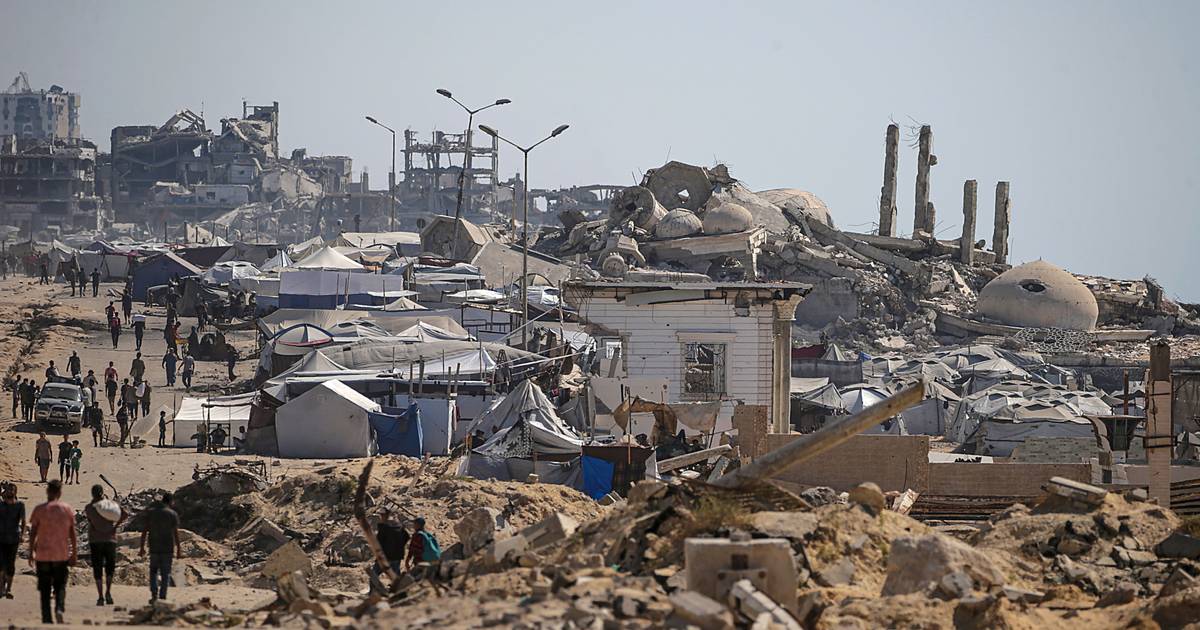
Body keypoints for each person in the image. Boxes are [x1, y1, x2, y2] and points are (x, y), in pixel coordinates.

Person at [29, 479, 77, 624]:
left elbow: (33, 532)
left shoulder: (39, 509)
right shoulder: (66, 509)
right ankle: (59, 609)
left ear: (47, 491)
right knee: (60, 585)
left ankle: (47, 619)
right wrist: (74, 553)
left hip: (42, 554)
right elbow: (72, 533)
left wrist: (31, 551)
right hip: (61, 554)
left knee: (44, 588)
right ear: (60, 492)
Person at [85, 484, 123, 606]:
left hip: (95, 540)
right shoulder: (109, 505)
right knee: (110, 568)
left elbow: (91, 520)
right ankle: (108, 592)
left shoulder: (89, 508)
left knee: (97, 568)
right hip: (110, 539)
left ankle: (100, 596)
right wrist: (115, 527)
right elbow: (124, 513)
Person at [139, 492, 180, 603]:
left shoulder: (151, 513)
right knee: (165, 573)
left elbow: (144, 531)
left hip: (154, 547)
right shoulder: (172, 514)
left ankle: (154, 594)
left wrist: (142, 547)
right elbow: (175, 533)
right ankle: (163, 595)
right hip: (167, 548)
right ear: (170, 502)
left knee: (153, 572)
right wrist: (179, 549)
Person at [369, 509, 409, 593]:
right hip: (396, 556)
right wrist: (399, 547)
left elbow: (378, 543)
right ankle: (399, 592)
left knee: (374, 574)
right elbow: (406, 537)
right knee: (396, 576)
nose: (380, 517)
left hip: (385, 557)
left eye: (381, 515)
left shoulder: (384, 526)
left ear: (384, 515)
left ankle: (373, 592)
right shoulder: (398, 525)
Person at [0, 482, 25, 599]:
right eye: (8, 490)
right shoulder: (1, 505)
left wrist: (23, 534)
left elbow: (23, 521)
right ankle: (2, 587)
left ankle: (8, 588)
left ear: (15, 493)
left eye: (12, 490)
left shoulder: (20, 505)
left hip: (13, 539)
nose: (10, 492)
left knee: (10, 565)